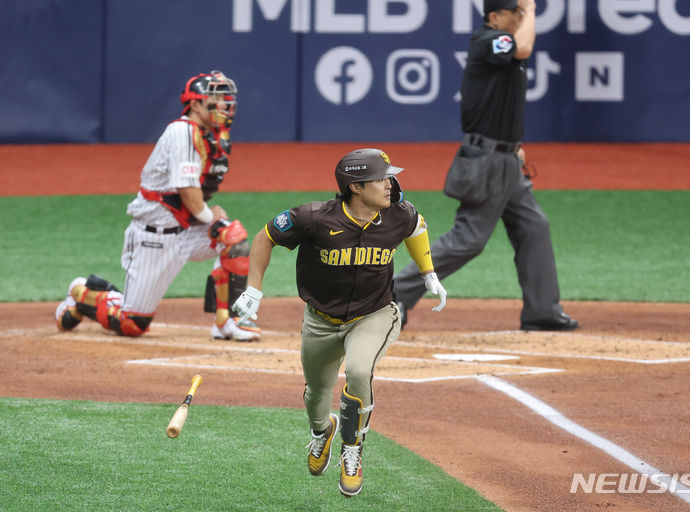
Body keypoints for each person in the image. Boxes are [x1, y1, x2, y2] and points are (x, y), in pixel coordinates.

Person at [232, 148, 446, 497]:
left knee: (359, 372)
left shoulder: (399, 214)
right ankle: (322, 432)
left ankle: (353, 449)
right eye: (381, 178)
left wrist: (429, 273)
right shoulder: (313, 218)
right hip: (320, 320)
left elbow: (417, 226)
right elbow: (266, 236)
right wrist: (254, 288)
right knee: (317, 391)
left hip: (374, 314)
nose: (390, 184)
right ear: (356, 187)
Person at [393, 0, 578, 332]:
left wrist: (514, 148)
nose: (520, 17)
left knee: (534, 227)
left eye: (521, 13)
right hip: (488, 162)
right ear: (495, 17)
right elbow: (522, 47)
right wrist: (532, 11)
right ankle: (396, 290)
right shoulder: (488, 39)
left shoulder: (502, 49)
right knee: (469, 239)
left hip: (505, 160)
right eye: (514, 13)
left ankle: (541, 310)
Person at [54, 70, 260, 341]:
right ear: (196, 104)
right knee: (133, 323)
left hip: (185, 232)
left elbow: (194, 196)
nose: (223, 105)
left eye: (225, 99)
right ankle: (82, 293)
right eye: (215, 98)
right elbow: (188, 194)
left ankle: (228, 321)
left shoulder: (208, 136)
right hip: (153, 236)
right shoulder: (182, 132)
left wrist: (211, 216)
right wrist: (210, 216)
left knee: (233, 240)